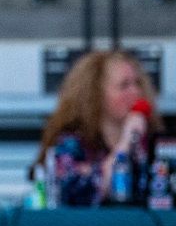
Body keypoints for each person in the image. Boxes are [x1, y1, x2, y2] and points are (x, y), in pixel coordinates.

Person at [34, 50, 163, 207]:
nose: (136, 92)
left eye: (137, 83)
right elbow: (78, 195)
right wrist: (125, 142)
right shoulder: (72, 145)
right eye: (124, 85)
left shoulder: (152, 144)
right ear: (96, 94)